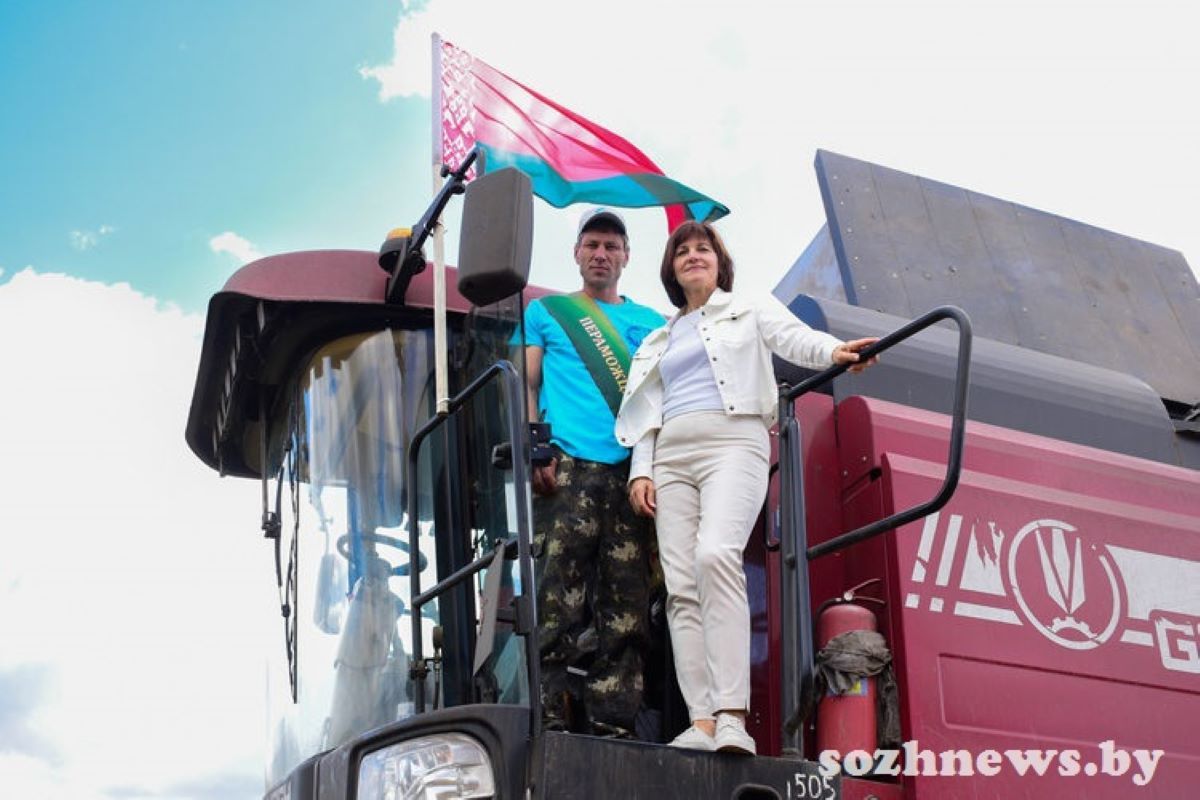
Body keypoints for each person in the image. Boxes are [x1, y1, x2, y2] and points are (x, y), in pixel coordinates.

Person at [614, 220, 878, 754]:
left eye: (703, 248)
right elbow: (646, 411)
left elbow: (794, 338)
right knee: (681, 589)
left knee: (716, 556)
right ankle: (703, 722)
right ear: (671, 269)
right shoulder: (658, 338)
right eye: (682, 251)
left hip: (733, 442)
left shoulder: (748, 306)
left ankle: (732, 717)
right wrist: (642, 468)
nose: (693, 256)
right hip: (671, 458)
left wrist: (835, 352)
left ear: (720, 261)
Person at [516, 207, 667, 738]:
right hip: (567, 469)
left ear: (626, 257)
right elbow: (525, 382)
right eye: (592, 245)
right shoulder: (546, 312)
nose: (601, 254)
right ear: (577, 254)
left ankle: (613, 725)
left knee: (626, 607)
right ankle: (549, 716)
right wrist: (536, 447)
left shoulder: (653, 323)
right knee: (557, 597)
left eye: (611, 246)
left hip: (632, 473)